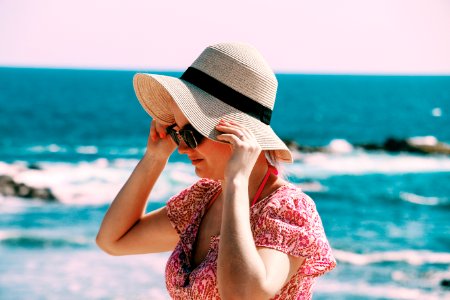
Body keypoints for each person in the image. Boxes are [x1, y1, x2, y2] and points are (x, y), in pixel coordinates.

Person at [96, 42, 336, 299]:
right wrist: (154, 157)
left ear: (239, 134)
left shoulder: (289, 210)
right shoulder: (203, 200)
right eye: (177, 133)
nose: (182, 149)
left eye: (191, 133)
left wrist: (236, 181)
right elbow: (114, 240)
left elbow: (242, 294)